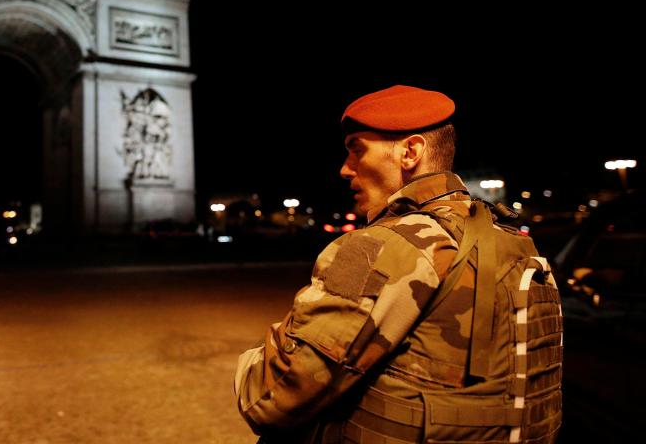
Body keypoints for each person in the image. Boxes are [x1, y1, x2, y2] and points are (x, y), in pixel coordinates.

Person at [234, 85, 563, 443]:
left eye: (357, 150)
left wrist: (251, 361)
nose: (345, 170)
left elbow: (269, 398)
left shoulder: (385, 246)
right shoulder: (515, 241)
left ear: (410, 152)